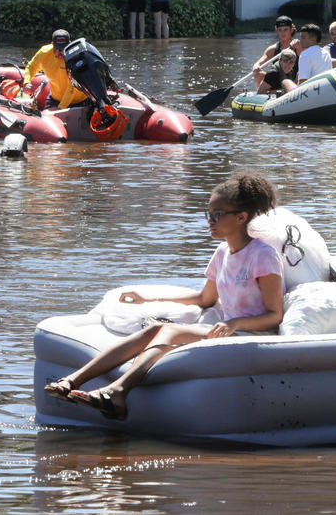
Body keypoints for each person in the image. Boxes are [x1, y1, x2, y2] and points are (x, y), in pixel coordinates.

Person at [43, 171, 284, 420]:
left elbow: (274, 315)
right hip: (226, 330)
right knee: (155, 328)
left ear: (241, 217)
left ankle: (118, 390)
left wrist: (235, 323)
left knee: (169, 331)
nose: (209, 221)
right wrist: (148, 300)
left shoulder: (263, 255)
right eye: (208, 214)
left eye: (217, 215)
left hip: (251, 334)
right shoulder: (223, 253)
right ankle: (71, 381)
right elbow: (204, 299)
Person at [22, 29, 88, 109]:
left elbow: (73, 85)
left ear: (70, 44)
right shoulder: (44, 53)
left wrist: (60, 108)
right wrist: (26, 82)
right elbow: (31, 67)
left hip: (78, 101)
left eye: (63, 49)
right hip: (55, 98)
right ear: (52, 44)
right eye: (57, 49)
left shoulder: (75, 56)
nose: (60, 52)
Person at [253, 15, 301, 87]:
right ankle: (260, 95)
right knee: (258, 73)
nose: (283, 33)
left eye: (285, 29)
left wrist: (299, 49)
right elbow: (259, 63)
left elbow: (307, 63)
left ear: (291, 30)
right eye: (280, 30)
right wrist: (256, 66)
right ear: (276, 30)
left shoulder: (298, 45)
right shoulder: (272, 49)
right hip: (278, 81)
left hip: (295, 82)